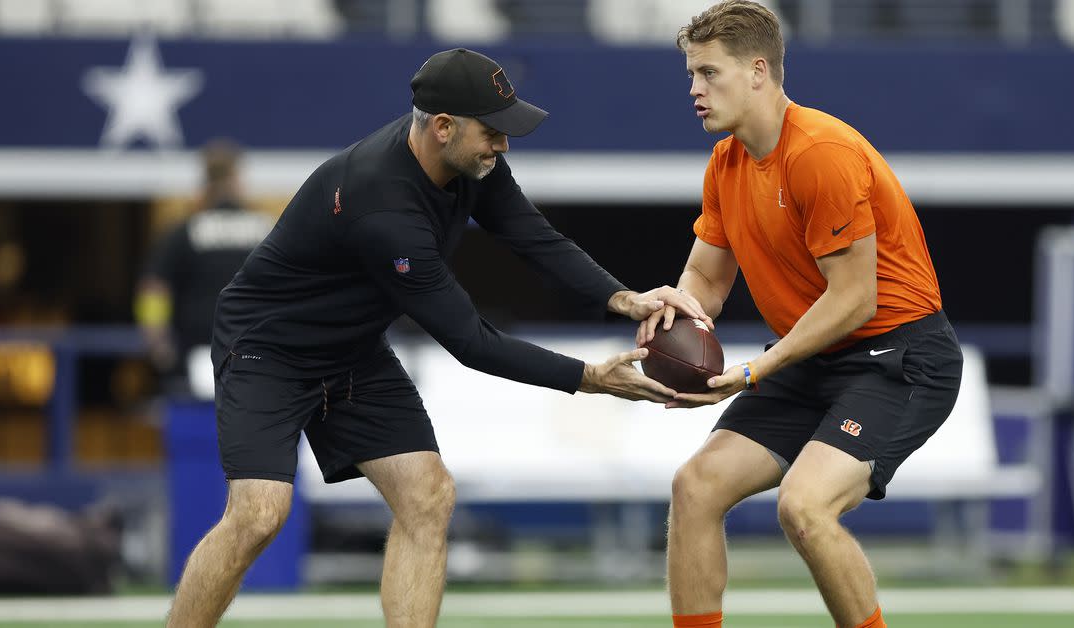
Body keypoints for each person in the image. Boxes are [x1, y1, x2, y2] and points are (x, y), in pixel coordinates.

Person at [166, 48, 710, 628]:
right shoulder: (384, 210)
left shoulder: (468, 162)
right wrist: (588, 378)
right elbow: (472, 343)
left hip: (352, 350)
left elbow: (533, 236)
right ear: (444, 126)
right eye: (492, 131)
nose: (503, 145)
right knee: (259, 514)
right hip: (269, 348)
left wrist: (624, 298)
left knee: (427, 495)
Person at [642, 3, 963, 627]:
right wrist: (676, 316)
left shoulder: (820, 151)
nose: (694, 90)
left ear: (758, 71)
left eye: (709, 73)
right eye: (691, 75)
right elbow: (706, 278)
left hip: (898, 356)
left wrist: (754, 371)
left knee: (805, 507)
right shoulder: (726, 162)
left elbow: (854, 300)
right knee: (695, 487)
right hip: (815, 355)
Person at [136, 139, 272, 395]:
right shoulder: (266, 231)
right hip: (254, 358)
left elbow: (153, 288)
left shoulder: (183, 232)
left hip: (195, 354)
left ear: (205, 183)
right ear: (237, 180)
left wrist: (157, 342)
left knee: (197, 419)